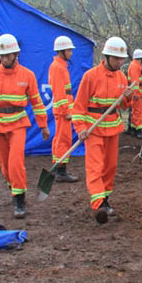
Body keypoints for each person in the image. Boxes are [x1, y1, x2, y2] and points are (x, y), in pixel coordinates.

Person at [0, 34, 50, 219]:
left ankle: (19, 199)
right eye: (1, 55)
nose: (4, 58)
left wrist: (43, 125)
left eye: (7, 55)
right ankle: (14, 189)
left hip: (18, 123)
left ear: (15, 54)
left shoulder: (27, 75)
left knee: (15, 163)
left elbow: (36, 102)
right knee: (5, 165)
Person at [72, 36, 133, 224]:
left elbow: (124, 106)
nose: (119, 62)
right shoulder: (90, 76)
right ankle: (99, 203)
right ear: (106, 57)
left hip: (112, 128)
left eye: (122, 59)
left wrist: (128, 97)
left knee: (110, 166)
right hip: (93, 128)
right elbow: (79, 106)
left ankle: (105, 198)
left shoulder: (122, 77)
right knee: (95, 166)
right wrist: (81, 127)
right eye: (116, 58)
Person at [48, 35, 80, 183]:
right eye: (69, 50)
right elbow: (60, 93)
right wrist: (66, 111)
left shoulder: (61, 66)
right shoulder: (57, 68)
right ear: (61, 51)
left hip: (63, 110)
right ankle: (61, 171)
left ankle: (57, 167)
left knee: (60, 139)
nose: (71, 53)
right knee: (63, 140)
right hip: (63, 112)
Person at [127, 49, 142, 139]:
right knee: (138, 112)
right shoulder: (135, 66)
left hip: (138, 94)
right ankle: (138, 130)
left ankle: (132, 128)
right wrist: (136, 94)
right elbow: (135, 81)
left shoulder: (135, 65)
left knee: (135, 111)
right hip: (137, 94)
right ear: (141, 58)